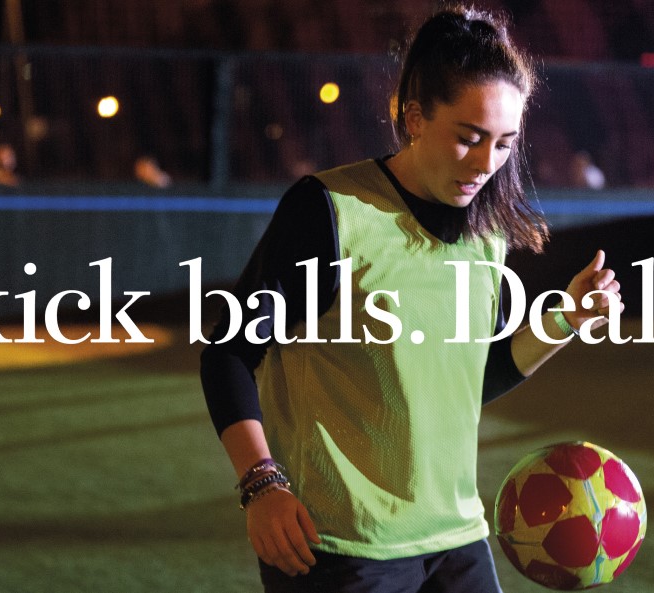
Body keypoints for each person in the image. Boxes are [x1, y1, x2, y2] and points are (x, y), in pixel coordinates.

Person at [199, 6, 623, 592]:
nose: (487, 163)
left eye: (504, 144)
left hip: (457, 539)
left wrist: (565, 320)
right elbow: (226, 353)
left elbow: (466, 380)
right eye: (469, 138)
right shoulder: (330, 211)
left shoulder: (486, 235)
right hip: (341, 549)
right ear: (415, 117)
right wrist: (261, 484)